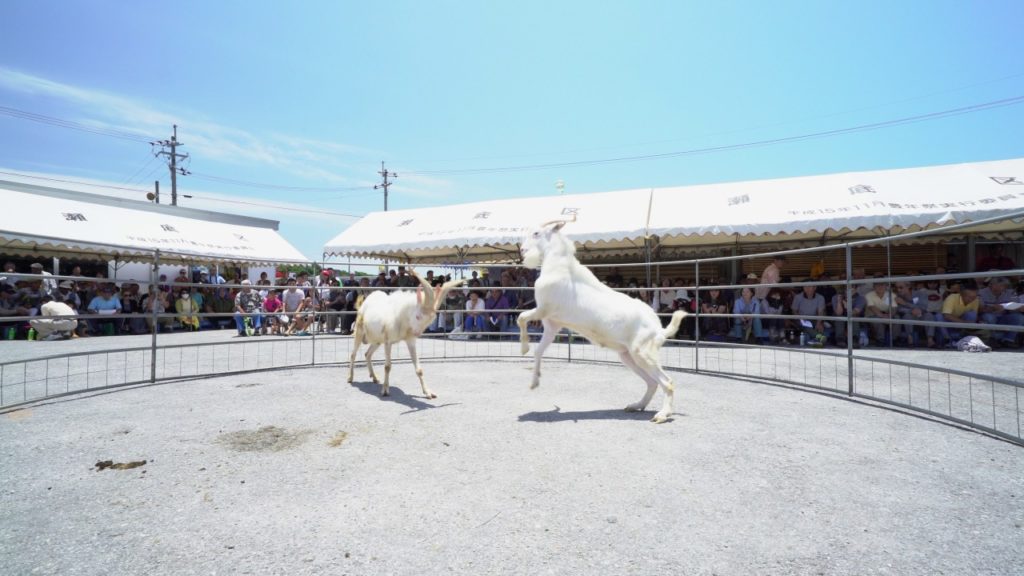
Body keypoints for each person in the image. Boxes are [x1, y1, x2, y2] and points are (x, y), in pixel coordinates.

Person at [978, 277, 1022, 348]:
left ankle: (1008, 340)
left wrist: (1017, 308)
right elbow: (980, 309)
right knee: (989, 317)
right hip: (988, 317)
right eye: (997, 285)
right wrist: (992, 308)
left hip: (1003, 317)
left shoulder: (1010, 292)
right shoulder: (982, 292)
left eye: (1003, 286)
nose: (1000, 288)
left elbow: (1015, 305)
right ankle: (991, 339)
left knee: (1019, 317)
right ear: (990, 285)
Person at [934, 280, 981, 346]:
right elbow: (946, 315)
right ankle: (947, 340)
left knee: (972, 314)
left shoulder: (976, 300)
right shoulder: (952, 297)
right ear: (961, 294)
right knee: (938, 316)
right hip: (947, 324)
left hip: (961, 324)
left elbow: (974, 316)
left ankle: (966, 338)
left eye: (974, 297)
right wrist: (964, 323)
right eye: (970, 297)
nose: (972, 299)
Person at [894, 281, 936, 348]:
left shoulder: (920, 293)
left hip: (922, 314)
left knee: (929, 315)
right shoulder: (897, 297)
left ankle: (930, 341)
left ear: (908, 286)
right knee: (907, 316)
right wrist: (912, 310)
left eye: (901, 287)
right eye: (896, 288)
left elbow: (923, 307)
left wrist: (905, 303)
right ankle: (910, 340)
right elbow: (899, 309)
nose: (898, 290)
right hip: (909, 315)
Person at [864, 282, 899, 346]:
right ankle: (880, 340)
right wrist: (882, 316)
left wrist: (890, 315)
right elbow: (872, 307)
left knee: (897, 318)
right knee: (878, 321)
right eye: (878, 285)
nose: (880, 287)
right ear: (874, 287)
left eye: (882, 285)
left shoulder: (891, 294)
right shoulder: (869, 295)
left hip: (888, 313)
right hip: (873, 314)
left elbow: (894, 307)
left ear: (886, 286)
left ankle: (894, 340)